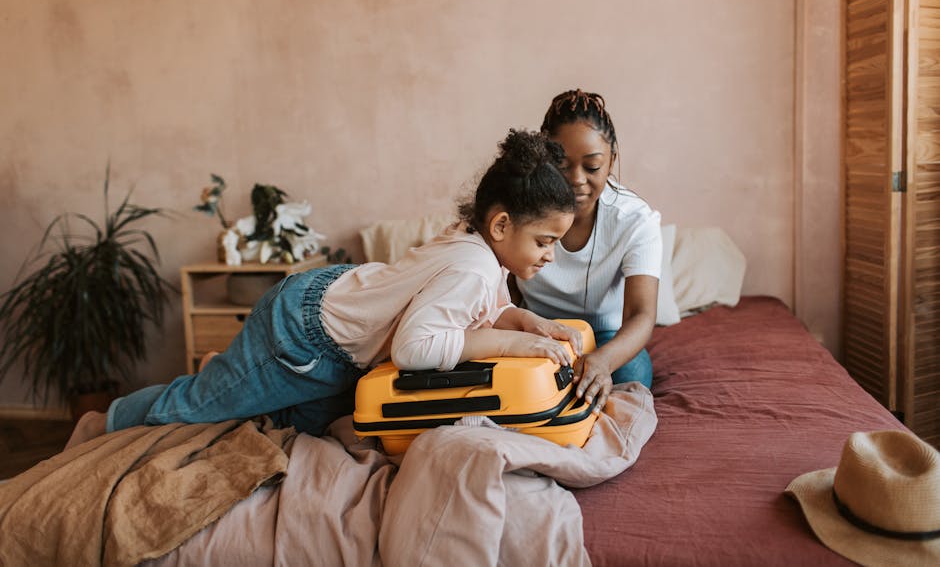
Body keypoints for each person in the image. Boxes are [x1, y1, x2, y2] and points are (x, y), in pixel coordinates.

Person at [65, 129, 583, 449]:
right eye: (544, 240)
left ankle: (232, 370)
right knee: (202, 405)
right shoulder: (472, 266)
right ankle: (104, 420)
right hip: (300, 335)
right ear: (500, 225)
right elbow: (415, 348)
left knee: (304, 430)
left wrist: (529, 324)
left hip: (335, 332)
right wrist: (514, 344)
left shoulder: (480, 254)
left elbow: (481, 316)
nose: (549, 254)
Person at [512, 89, 662, 413]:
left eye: (592, 167)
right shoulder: (519, 207)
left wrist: (602, 362)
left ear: (612, 161)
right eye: (561, 164)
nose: (576, 180)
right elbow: (504, 284)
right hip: (535, 326)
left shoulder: (636, 220)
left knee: (632, 371)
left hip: (605, 335)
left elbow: (642, 314)